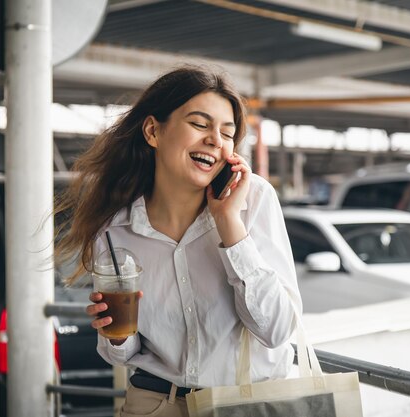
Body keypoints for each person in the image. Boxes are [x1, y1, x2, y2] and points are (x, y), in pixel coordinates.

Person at [55, 65, 302, 417]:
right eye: (200, 124)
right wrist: (116, 336)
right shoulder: (115, 232)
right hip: (154, 405)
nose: (216, 140)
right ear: (153, 131)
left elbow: (277, 330)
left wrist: (229, 224)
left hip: (246, 405)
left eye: (227, 132)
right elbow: (120, 355)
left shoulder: (253, 201)